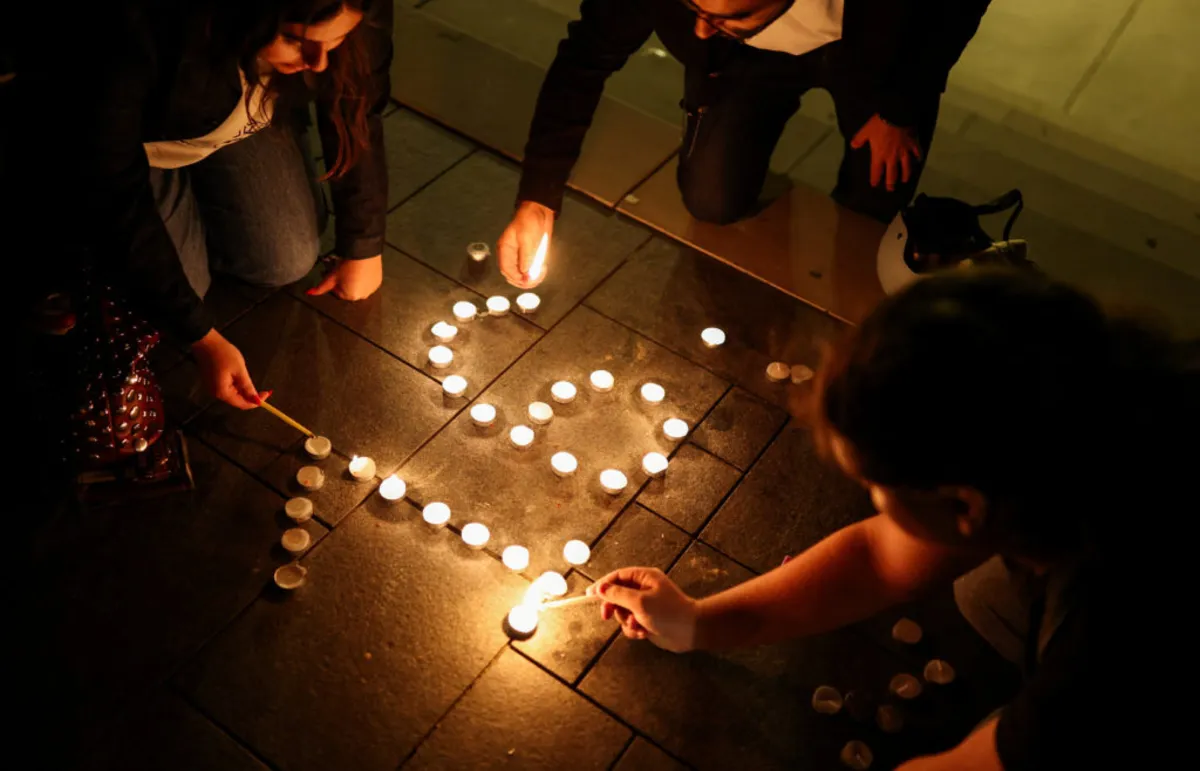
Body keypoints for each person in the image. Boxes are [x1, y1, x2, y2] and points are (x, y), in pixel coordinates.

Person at [587, 269, 1196, 769]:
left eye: (877, 488)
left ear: (965, 504)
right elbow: (879, 560)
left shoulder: (1112, 647)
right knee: (983, 593)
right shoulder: (1077, 406)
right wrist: (697, 622)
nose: (876, 507)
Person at [11, 0, 392, 410]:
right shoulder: (138, 32)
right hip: (141, 145)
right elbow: (112, 184)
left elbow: (359, 104)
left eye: (336, 40)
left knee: (287, 258)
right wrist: (201, 337)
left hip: (231, 116)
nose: (319, 63)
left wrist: (362, 243)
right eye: (294, 39)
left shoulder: (355, 7)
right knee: (175, 296)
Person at [498, 0, 991, 289]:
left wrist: (901, 110)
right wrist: (538, 197)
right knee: (710, 198)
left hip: (878, 56)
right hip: (743, 63)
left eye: (727, 16)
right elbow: (584, 59)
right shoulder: (708, 25)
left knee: (873, 208)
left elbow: (953, 12)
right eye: (695, 6)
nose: (697, 28)